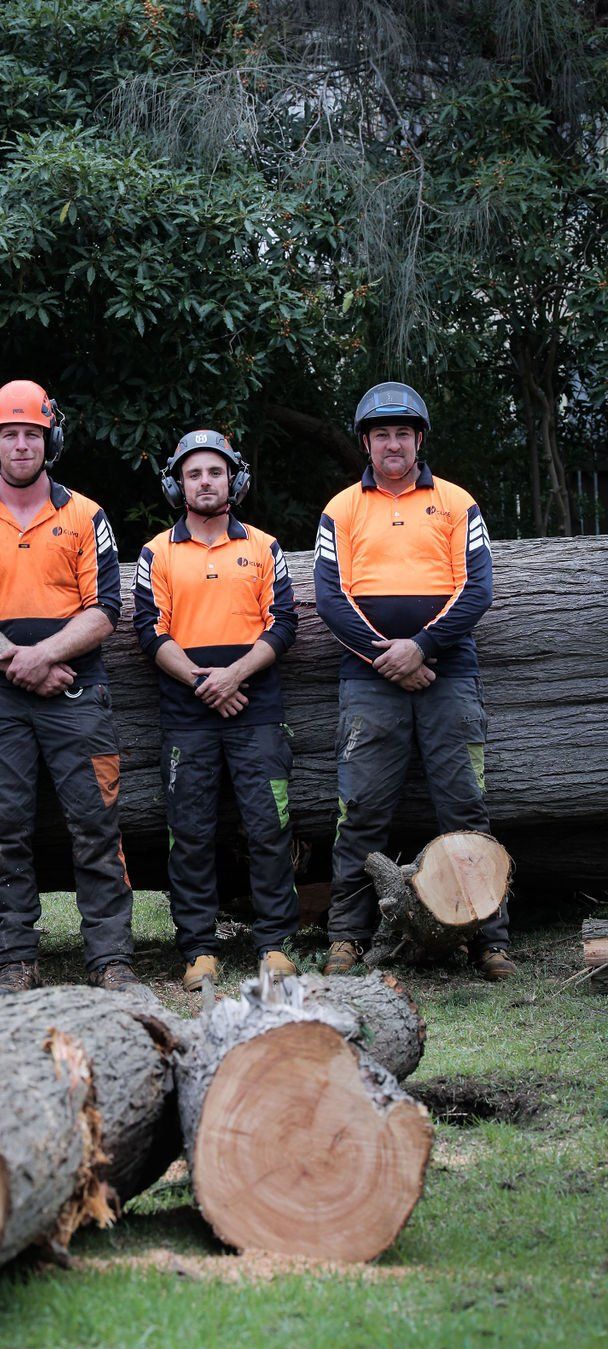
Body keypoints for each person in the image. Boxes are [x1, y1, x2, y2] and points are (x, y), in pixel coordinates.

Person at [0, 379, 148, 1000]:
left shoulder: (86, 516)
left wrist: (46, 657)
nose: (21, 444)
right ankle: (13, 960)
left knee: (96, 824)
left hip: (78, 693)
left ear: (49, 438)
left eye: (32, 432)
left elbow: (106, 608)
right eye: (10, 434)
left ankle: (112, 959)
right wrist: (17, 664)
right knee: (3, 827)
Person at [313, 382, 515, 979]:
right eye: (382, 434)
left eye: (403, 433)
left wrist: (421, 647)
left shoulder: (457, 503)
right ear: (366, 444)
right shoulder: (341, 508)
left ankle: (489, 939)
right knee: (361, 811)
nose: (393, 443)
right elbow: (329, 597)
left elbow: (477, 589)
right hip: (369, 680)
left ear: (419, 439)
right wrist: (390, 657)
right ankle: (347, 937)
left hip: (449, 673)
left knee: (465, 807)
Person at [133, 429, 300, 993]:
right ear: (177, 484)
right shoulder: (156, 552)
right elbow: (148, 630)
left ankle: (275, 944)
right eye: (194, 474)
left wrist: (232, 677)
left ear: (235, 479)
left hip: (257, 709)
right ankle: (199, 949)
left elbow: (283, 625)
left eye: (215, 472)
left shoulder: (265, 547)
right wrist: (205, 682)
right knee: (190, 833)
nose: (205, 482)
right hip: (187, 715)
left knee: (269, 827)